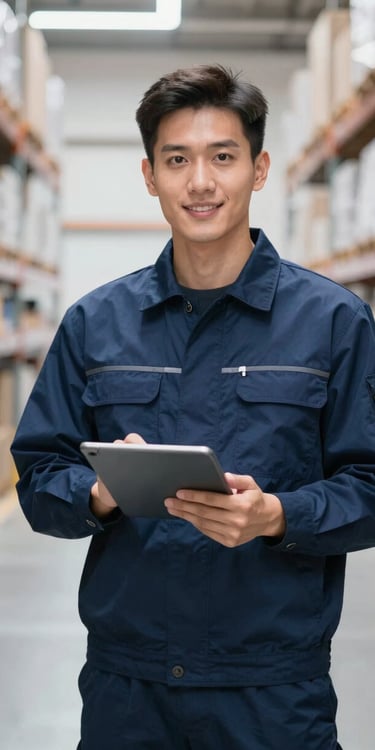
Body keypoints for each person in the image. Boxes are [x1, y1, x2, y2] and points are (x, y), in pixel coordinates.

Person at [11, 63, 375, 749]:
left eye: (222, 157)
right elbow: (37, 477)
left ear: (258, 169)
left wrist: (277, 514)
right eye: (176, 159)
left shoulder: (334, 322)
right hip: (129, 690)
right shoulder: (96, 324)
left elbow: (369, 485)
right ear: (149, 175)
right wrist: (95, 490)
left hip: (271, 693)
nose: (200, 182)